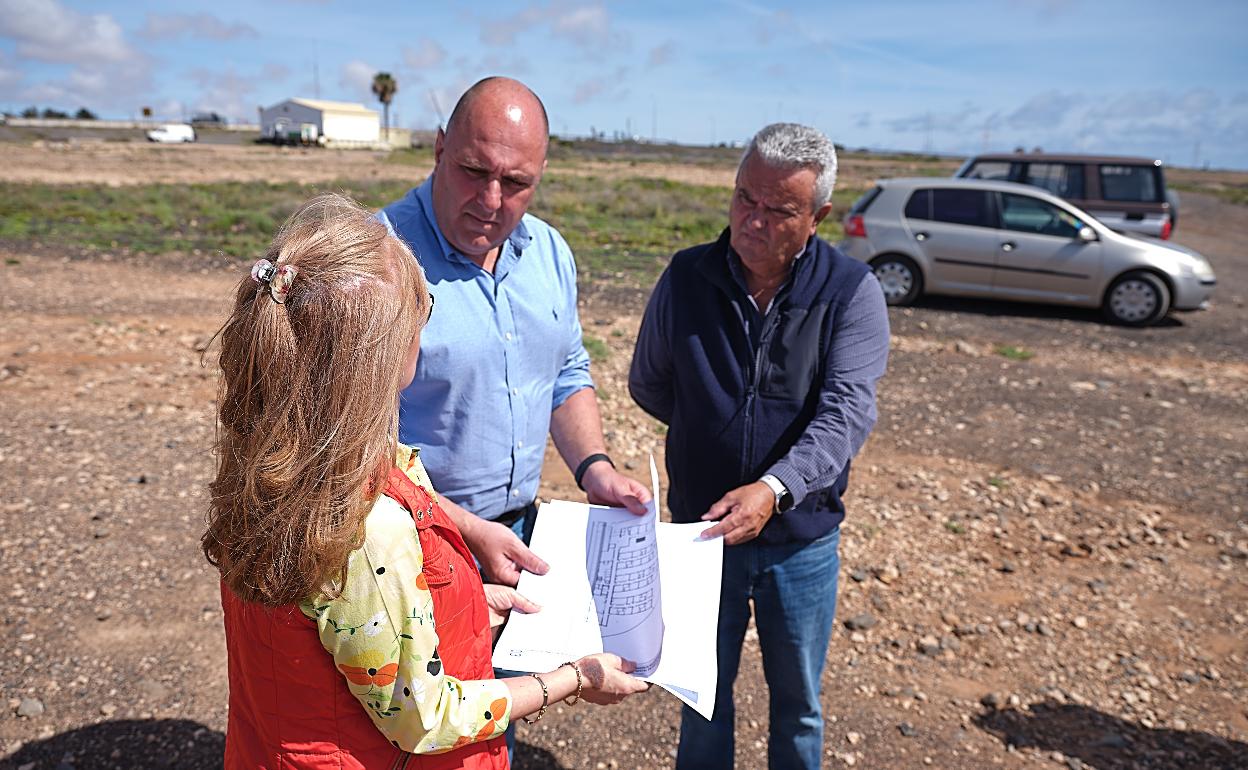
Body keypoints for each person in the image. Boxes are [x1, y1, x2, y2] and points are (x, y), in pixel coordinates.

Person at [204, 194, 647, 769]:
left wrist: (460, 602)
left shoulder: (280, 458)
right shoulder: (368, 524)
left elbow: (353, 621)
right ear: (383, 357)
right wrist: (569, 677)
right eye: (423, 311)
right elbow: (426, 718)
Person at [629, 123, 891, 770]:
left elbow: (846, 415)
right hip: (703, 536)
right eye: (746, 197)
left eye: (779, 210)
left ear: (818, 216)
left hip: (800, 543)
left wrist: (773, 489)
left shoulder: (851, 293)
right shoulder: (687, 276)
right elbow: (649, 382)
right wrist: (708, 435)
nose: (754, 220)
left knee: (797, 704)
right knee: (700, 697)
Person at [379, 77, 649, 587]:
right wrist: (464, 528)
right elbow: (344, 445)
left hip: (521, 531)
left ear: (541, 175)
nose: (490, 199)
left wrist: (596, 469)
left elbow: (567, 373)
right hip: (407, 544)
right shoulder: (375, 261)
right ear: (440, 149)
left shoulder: (549, 252)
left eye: (516, 183)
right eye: (473, 171)